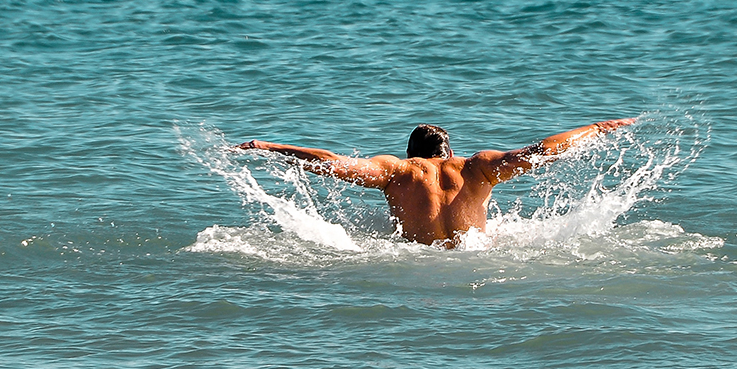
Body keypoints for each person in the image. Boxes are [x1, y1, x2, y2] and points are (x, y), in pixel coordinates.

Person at [235, 119, 635, 248]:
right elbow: (540, 150)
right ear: (448, 151)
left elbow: (334, 165)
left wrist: (270, 146)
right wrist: (597, 128)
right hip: (477, 261)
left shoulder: (399, 171)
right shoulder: (479, 167)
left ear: (412, 153)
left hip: (416, 264)